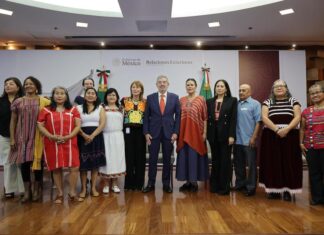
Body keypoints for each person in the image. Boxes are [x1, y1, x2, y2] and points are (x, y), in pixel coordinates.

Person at [9, 76, 51, 202]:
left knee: (37, 163)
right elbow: (13, 121)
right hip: (22, 137)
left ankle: (37, 190)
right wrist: (12, 138)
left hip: (39, 136)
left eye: (31, 84)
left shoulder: (44, 102)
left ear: (37, 87)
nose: (28, 86)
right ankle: (27, 192)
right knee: (25, 164)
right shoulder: (18, 101)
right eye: (26, 84)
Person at [37, 86, 82, 203]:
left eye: (62, 93)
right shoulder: (46, 110)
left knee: (75, 167)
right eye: (57, 93)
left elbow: (78, 126)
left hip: (70, 142)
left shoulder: (73, 110)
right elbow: (40, 125)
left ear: (66, 96)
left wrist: (68, 136)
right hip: (52, 142)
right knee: (56, 167)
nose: (59, 95)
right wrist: (51, 136)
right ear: (53, 96)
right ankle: (60, 193)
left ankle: (72, 192)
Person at [259, 79, 302, 201]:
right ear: (272, 89)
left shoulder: (293, 101)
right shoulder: (267, 102)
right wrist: (277, 130)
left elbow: (298, 117)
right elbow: (264, 117)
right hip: (271, 136)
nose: (279, 88)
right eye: (276, 86)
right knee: (273, 162)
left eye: (281, 86)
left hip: (290, 135)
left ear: (286, 88)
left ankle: (288, 190)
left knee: (289, 163)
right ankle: (274, 190)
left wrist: (287, 129)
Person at [142, 75, 180, 193]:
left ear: (168, 84)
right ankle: (150, 183)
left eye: (164, 82)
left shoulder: (174, 97)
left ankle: (166, 184)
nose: (162, 84)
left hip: (169, 134)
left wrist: (175, 132)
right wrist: (146, 132)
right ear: (156, 84)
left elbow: (178, 116)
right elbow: (146, 117)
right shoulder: (150, 98)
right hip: (153, 133)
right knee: (152, 159)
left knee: (167, 159)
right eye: (160, 82)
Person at [176, 78, 209, 192]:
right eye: (188, 85)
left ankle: (194, 182)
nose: (189, 86)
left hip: (196, 134)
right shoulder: (181, 100)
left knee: (194, 157)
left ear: (195, 86)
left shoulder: (201, 99)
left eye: (192, 85)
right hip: (183, 133)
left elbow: (205, 117)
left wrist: (204, 132)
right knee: (185, 157)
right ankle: (187, 182)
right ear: (186, 87)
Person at [207, 79, 237, 195]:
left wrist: (231, 135)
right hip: (213, 135)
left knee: (225, 161)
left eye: (222, 86)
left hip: (226, 135)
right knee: (215, 161)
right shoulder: (209, 101)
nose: (219, 88)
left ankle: (224, 188)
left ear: (226, 89)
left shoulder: (232, 101)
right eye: (217, 86)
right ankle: (214, 186)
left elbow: (233, 119)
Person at [77, 87, 106, 198]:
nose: (90, 95)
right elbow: (76, 124)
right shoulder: (78, 108)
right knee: (83, 166)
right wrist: (84, 135)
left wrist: (92, 135)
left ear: (96, 96)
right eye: (88, 93)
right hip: (81, 137)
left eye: (93, 93)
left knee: (95, 165)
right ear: (84, 96)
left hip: (96, 137)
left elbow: (102, 124)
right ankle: (84, 189)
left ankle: (93, 188)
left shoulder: (100, 108)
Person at [233, 84, 261, 196]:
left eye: (243, 90)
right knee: (238, 164)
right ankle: (240, 184)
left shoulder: (255, 104)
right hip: (237, 141)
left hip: (249, 140)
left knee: (251, 165)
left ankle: (251, 187)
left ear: (250, 92)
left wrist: (254, 137)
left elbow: (259, 122)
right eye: (239, 90)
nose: (241, 92)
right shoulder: (236, 104)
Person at [300, 84, 324, 205]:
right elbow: (302, 129)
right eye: (312, 93)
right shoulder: (306, 111)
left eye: (317, 92)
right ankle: (316, 198)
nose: (315, 95)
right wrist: (300, 143)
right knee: (314, 174)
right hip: (311, 147)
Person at [0, 77, 24, 199]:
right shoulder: (1, 101)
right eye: (6, 84)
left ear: (18, 87)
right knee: (8, 163)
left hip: (22, 137)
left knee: (20, 163)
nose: (7, 86)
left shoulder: (23, 101)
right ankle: (9, 189)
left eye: (11, 84)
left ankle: (22, 189)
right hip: (5, 136)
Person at [99, 88, 126, 193]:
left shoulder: (121, 108)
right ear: (106, 97)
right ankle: (105, 184)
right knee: (107, 160)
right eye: (109, 95)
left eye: (114, 95)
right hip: (105, 136)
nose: (111, 97)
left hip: (118, 136)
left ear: (117, 97)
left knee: (117, 160)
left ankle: (115, 184)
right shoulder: (102, 108)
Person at [121, 81, 146, 191]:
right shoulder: (124, 100)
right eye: (133, 87)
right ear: (131, 89)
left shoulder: (146, 101)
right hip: (128, 131)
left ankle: (139, 184)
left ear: (141, 89)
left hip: (141, 131)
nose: (135, 89)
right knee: (129, 157)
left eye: (138, 87)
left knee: (140, 158)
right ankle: (129, 184)